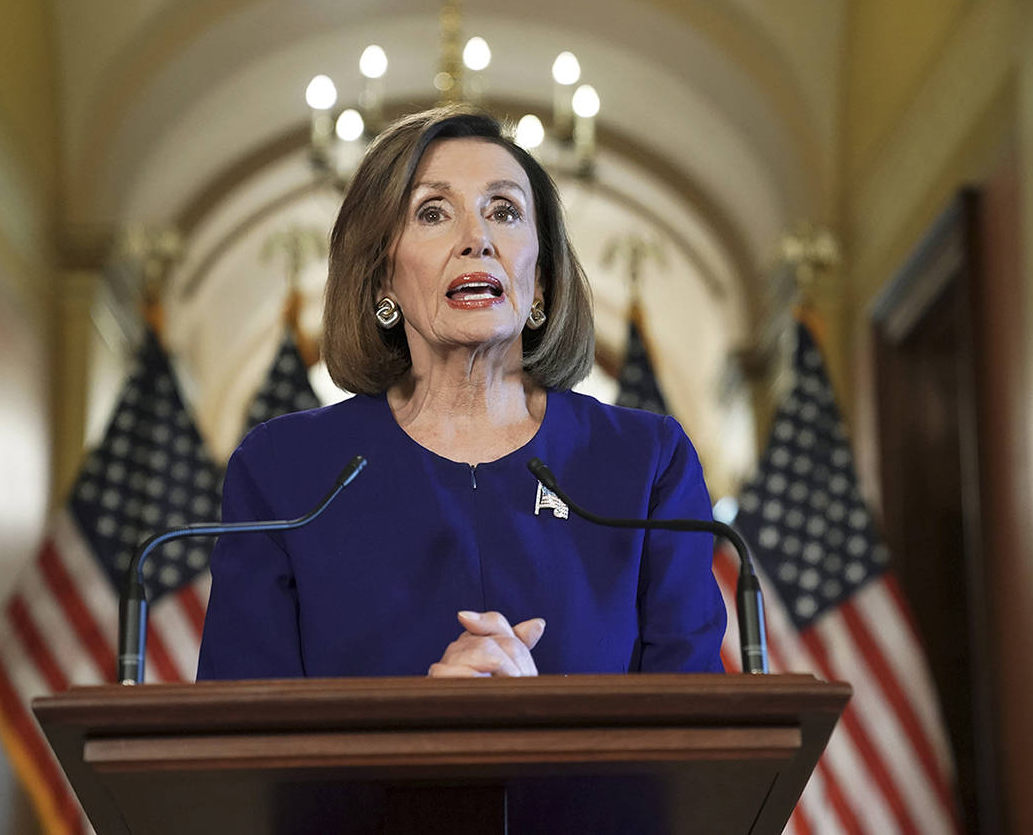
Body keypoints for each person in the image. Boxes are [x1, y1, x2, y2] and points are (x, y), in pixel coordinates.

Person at [197, 106, 725, 680]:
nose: (477, 239)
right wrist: (425, 731)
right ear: (381, 278)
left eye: (504, 211)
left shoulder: (646, 463)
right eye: (432, 212)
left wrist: (539, 726)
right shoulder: (284, 472)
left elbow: (697, 732)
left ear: (541, 278)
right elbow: (240, 740)